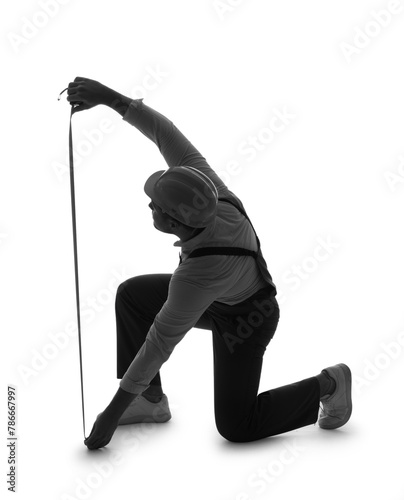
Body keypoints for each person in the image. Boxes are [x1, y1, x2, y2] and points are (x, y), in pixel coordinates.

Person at [64, 77, 352, 450]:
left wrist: (112, 413)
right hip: (221, 297)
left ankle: (329, 383)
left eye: (155, 205)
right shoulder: (210, 191)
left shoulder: (196, 275)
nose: (150, 203)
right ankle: (149, 401)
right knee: (133, 295)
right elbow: (163, 132)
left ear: (172, 223)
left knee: (237, 426)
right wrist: (108, 98)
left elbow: (159, 343)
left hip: (248, 319)